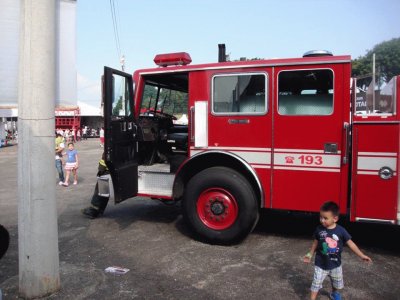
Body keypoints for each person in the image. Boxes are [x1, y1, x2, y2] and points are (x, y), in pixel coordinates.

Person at [303, 201, 372, 300]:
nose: (322, 220)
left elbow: (351, 243)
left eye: (325, 218)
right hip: (320, 264)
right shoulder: (319, 229)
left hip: (336, 264)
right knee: (316, 283)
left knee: (336, 282)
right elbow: (315, 243)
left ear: (335, 218)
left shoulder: (341, 231)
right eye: (321, 217)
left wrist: (362, 255)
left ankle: (334, 293)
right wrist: (310, 254)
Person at [81, 153, 110, 218]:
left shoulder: (108, 148)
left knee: (100, 191)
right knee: (105, 193)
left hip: (106, 172)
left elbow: (103, 163)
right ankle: (100, 210)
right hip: (113, 171)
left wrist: (100, 171)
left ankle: (93, 211)